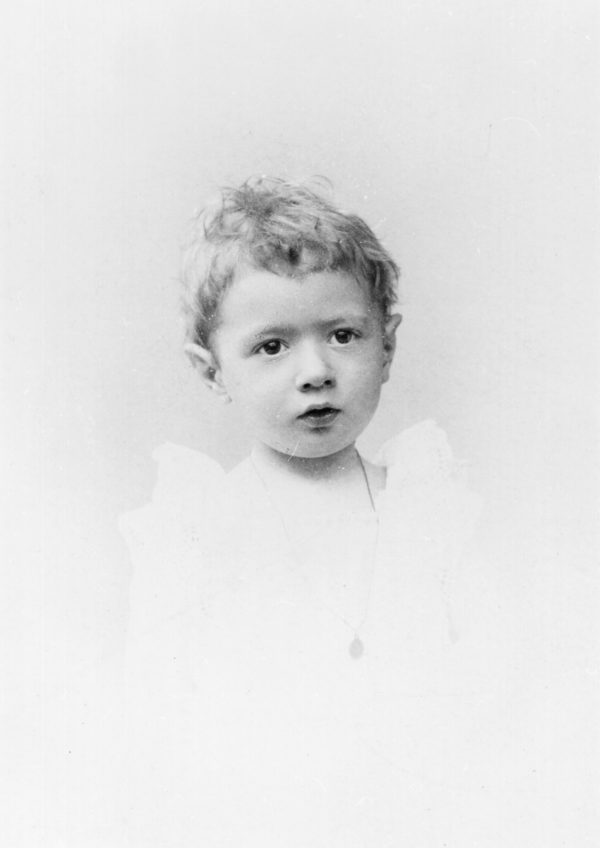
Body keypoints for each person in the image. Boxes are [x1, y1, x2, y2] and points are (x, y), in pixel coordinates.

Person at [117, 177, 593, 847]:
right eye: (272, 346)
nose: (315, 370)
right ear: (212, 371)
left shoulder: (431, 510)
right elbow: (160, 728)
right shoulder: (196, 531)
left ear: (387, 346)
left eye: (343, 335)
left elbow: (500, 694)